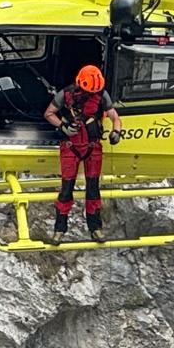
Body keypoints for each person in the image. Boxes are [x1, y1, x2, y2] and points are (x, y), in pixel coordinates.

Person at [44, 64, 123, 243]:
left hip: (93, 146)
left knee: (93, 188)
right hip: (71, 146)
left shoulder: (102, 95)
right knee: (66, 189)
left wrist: (116, 132)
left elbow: (114, 116)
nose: (91, 94)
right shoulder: (65, 95)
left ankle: (95, 227)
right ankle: (59, 228)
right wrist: (63, 126)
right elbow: (49, 113)